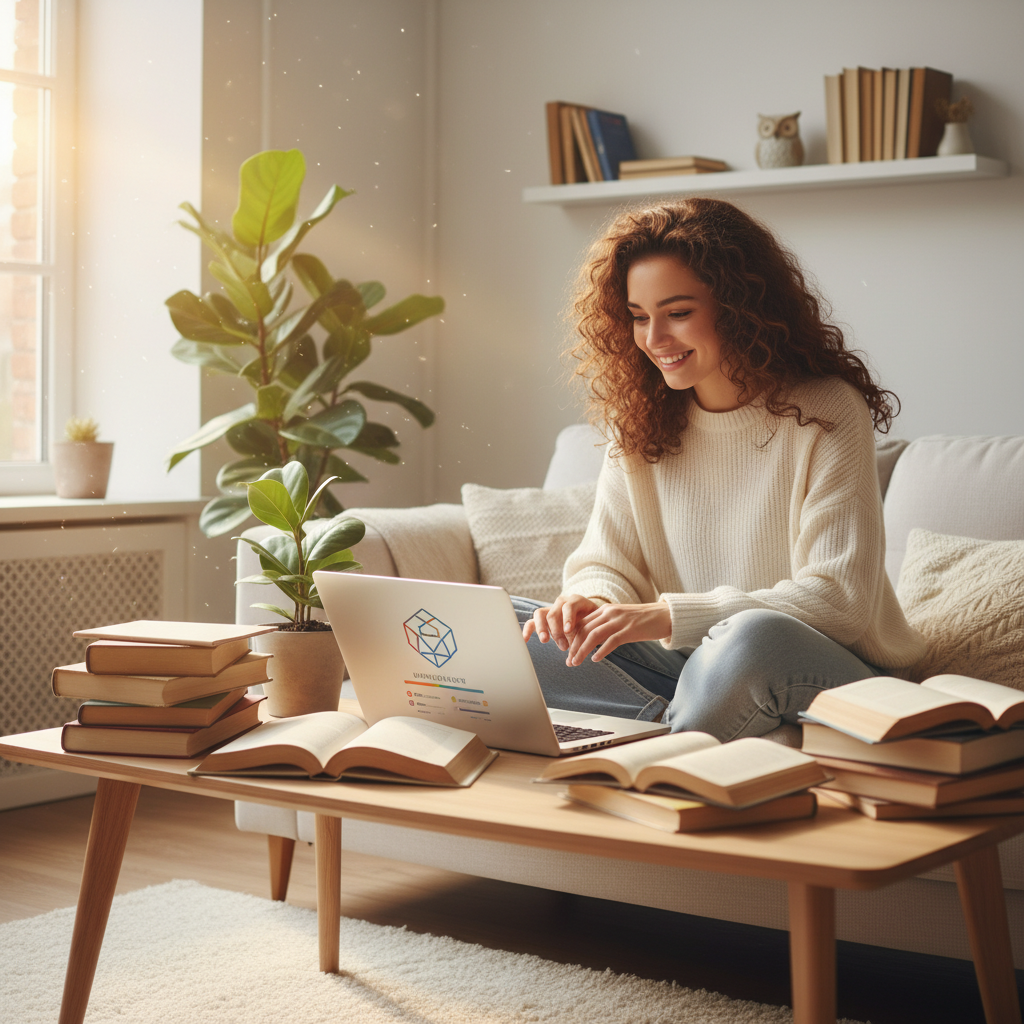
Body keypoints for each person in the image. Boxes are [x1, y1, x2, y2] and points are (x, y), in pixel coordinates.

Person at [518, 198, 926, 742]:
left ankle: (661, 727)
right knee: (512, 626)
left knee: (750, 640)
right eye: (639, 317)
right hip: (689, 668)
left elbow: (838, 602)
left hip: (826, 668)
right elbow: (605, 563)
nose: (654, 339)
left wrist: (663, 617)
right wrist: (586, 604)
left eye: (678, 312)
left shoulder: (826, 410)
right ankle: (683, 726)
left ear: (739, 305)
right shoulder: (640, 421)